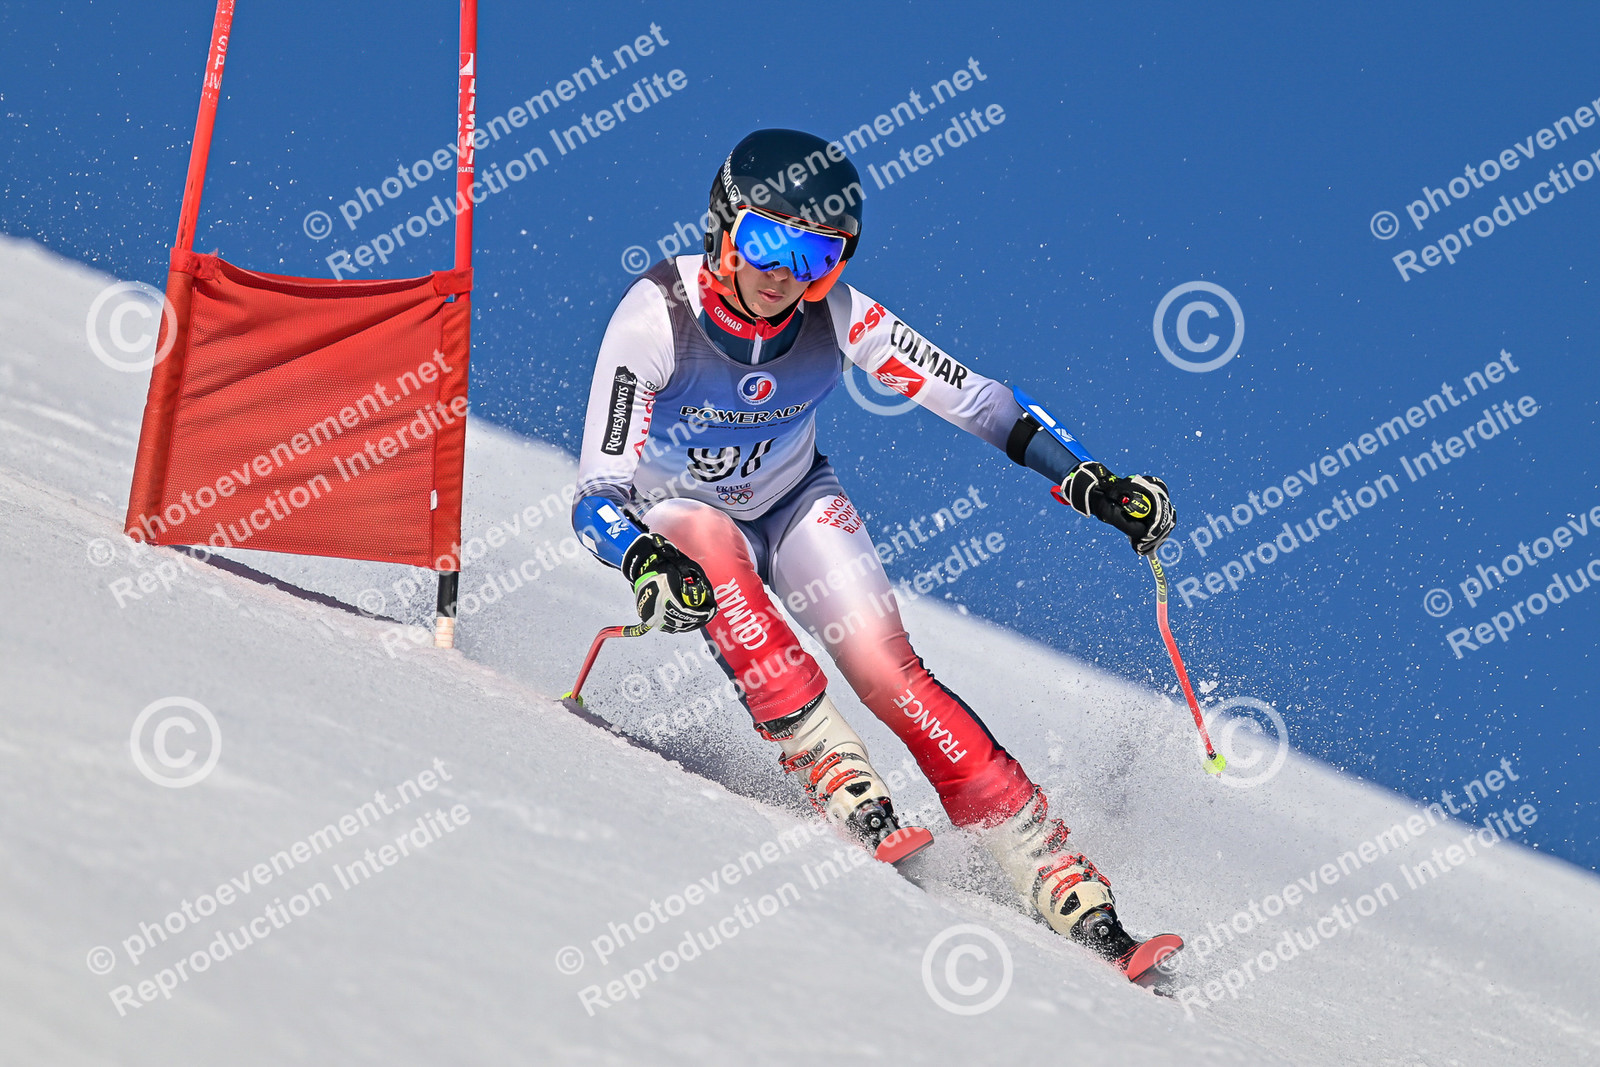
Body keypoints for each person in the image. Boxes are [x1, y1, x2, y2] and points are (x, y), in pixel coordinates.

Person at [571, 129, 1176, 963]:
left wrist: (1086, 478)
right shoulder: (656, 317)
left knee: (886, 668)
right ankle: (830, 759)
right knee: (702, 540)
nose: (785, 274)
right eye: (767, 242)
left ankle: (1042, 858)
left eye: (816, 255)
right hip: (684, 514)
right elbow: (597, 495)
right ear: (722, 226)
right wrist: (641, 557)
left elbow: (978, 400)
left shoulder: (837, 315)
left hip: (795, 502)